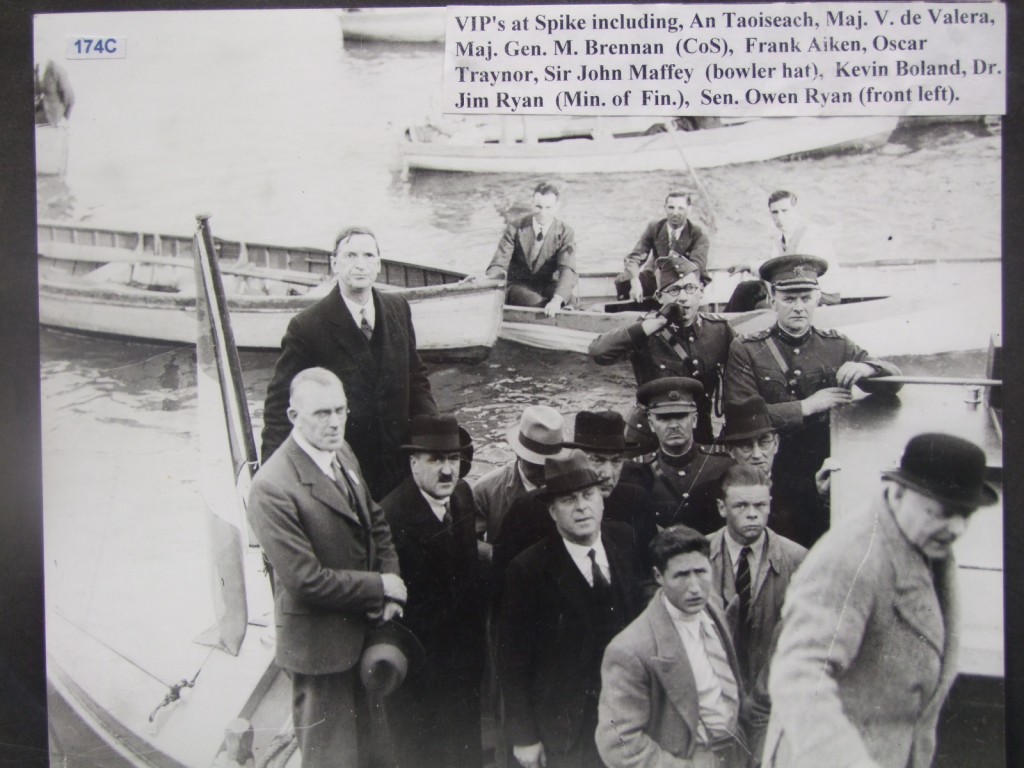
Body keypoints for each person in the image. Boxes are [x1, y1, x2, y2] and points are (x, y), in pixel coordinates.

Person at [762, 433, 998, 768]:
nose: (958, 527)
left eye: (966, 513)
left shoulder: (928, 547)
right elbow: (798, 676)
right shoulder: (853, 557)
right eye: (945, 511)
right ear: (900, 492)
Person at [247, 368, 406, 768]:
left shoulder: (341, 452)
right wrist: (379, 585)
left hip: (362, 637)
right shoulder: (272, 487)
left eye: (341, 410)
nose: (334, 422)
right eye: (321, 413)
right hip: (319, 652)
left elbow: (376, 521)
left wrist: (391, 582)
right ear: (293, 416)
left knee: (375, 753)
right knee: (333, 759)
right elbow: (304, 580)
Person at [724, 254, 901, 547]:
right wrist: (807, 406)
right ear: (772, 300)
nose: (798, 307)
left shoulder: (837, 345)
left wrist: (869, 368)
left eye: (806, 298)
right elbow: (740, 416)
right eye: (789, 298)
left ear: (817, 299)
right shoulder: (746, 349)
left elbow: (894, 379)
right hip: (770, 466)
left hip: (824, 463)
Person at [260, 225, 437, 501]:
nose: (360, 265)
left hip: (399, 464)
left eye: (368, 256)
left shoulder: (398, 308)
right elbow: (279, 406)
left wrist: (432, 440)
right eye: (350, 256)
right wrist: (270, 479)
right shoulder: (307, 326)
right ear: (334, 264)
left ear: (378, 264)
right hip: (342, 470)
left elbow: (417, 380)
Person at [497, 450, 643, 768]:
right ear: (552, 511)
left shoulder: (625, 541)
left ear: (601, 499)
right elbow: (512, 661)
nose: (581, 508)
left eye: (588, 495)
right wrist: (524, 736)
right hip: (564, 726)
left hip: (623, 717)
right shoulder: (528, 569)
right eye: (567, 500)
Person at [596, 526, 751, 768]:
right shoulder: (630, 649)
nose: (695, 587)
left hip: (735, 754)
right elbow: (619, 743)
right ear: (658, 576)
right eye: (681, 575)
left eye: (701, 571)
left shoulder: (713, 606)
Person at [380, 414, 485, 768]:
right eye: (435, 460)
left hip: (465, 662)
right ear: (413, 462)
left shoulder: (463, 496)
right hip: (421, 671)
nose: (447, 471)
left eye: (453, 459)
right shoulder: (391, 517)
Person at [494, 410, 659, 583]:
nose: (608, 474)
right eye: (597, 459)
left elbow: (649, 574)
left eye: (616, 461)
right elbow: (504, 581)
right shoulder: (529, 509)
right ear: (575, 457)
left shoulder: (636, 500)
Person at [590, 256, 733, 445]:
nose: (683, 297)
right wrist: (649, 326)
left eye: (690, 288)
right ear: (659, 297)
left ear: (701, 291)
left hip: (698, 433)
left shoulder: (719, 330)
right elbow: (599, 352)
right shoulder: (647, 331)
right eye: (673, 290)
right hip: (649, 436)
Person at [706, 464, 806, 693]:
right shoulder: (698, 555)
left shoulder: (797, 559)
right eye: (741, 505)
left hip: (774, 691)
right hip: (714, 691)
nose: (752, 514)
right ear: (722, 507)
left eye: (760, 505)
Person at [622, 377, 732, 528]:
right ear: (651, 423)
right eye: (663, 418)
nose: (673, 425)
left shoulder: (723, 465)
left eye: (681, 416)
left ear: (694, 419)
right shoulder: (637, 471)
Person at [472, 405, 569, 557]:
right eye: (536, 464)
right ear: (518, 454)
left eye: (550, 463)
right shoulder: (486, 489)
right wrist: (497, 555)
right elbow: (468, 539)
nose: (543, 470)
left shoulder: (573, 486)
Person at [486, 181, 577, 316]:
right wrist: (487, 283)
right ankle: (555, 315)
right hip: (519, 286)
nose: (543, 213)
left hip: (547, 284)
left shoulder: (565, 232)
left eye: (548, 207)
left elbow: (567, 269)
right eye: (538, 207)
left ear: (557, 207)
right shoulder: (515, 228)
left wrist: (557, 300)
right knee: (536, 302)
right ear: (531, 204)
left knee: (569, 298)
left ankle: (564, 313)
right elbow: (499, 264)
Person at [616, 190, 711, 301]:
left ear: (689, 209)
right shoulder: (654, 228)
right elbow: (634, 257)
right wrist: (635, 281)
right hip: (659, 278)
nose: (675, 213)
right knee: (623, 281)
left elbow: (696, 267)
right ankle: (633, 315)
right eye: (671, 207)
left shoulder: (698, 233)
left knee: (682, 294)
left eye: (681, 208)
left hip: (687, 280)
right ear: (665, 207)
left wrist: (669, 288)